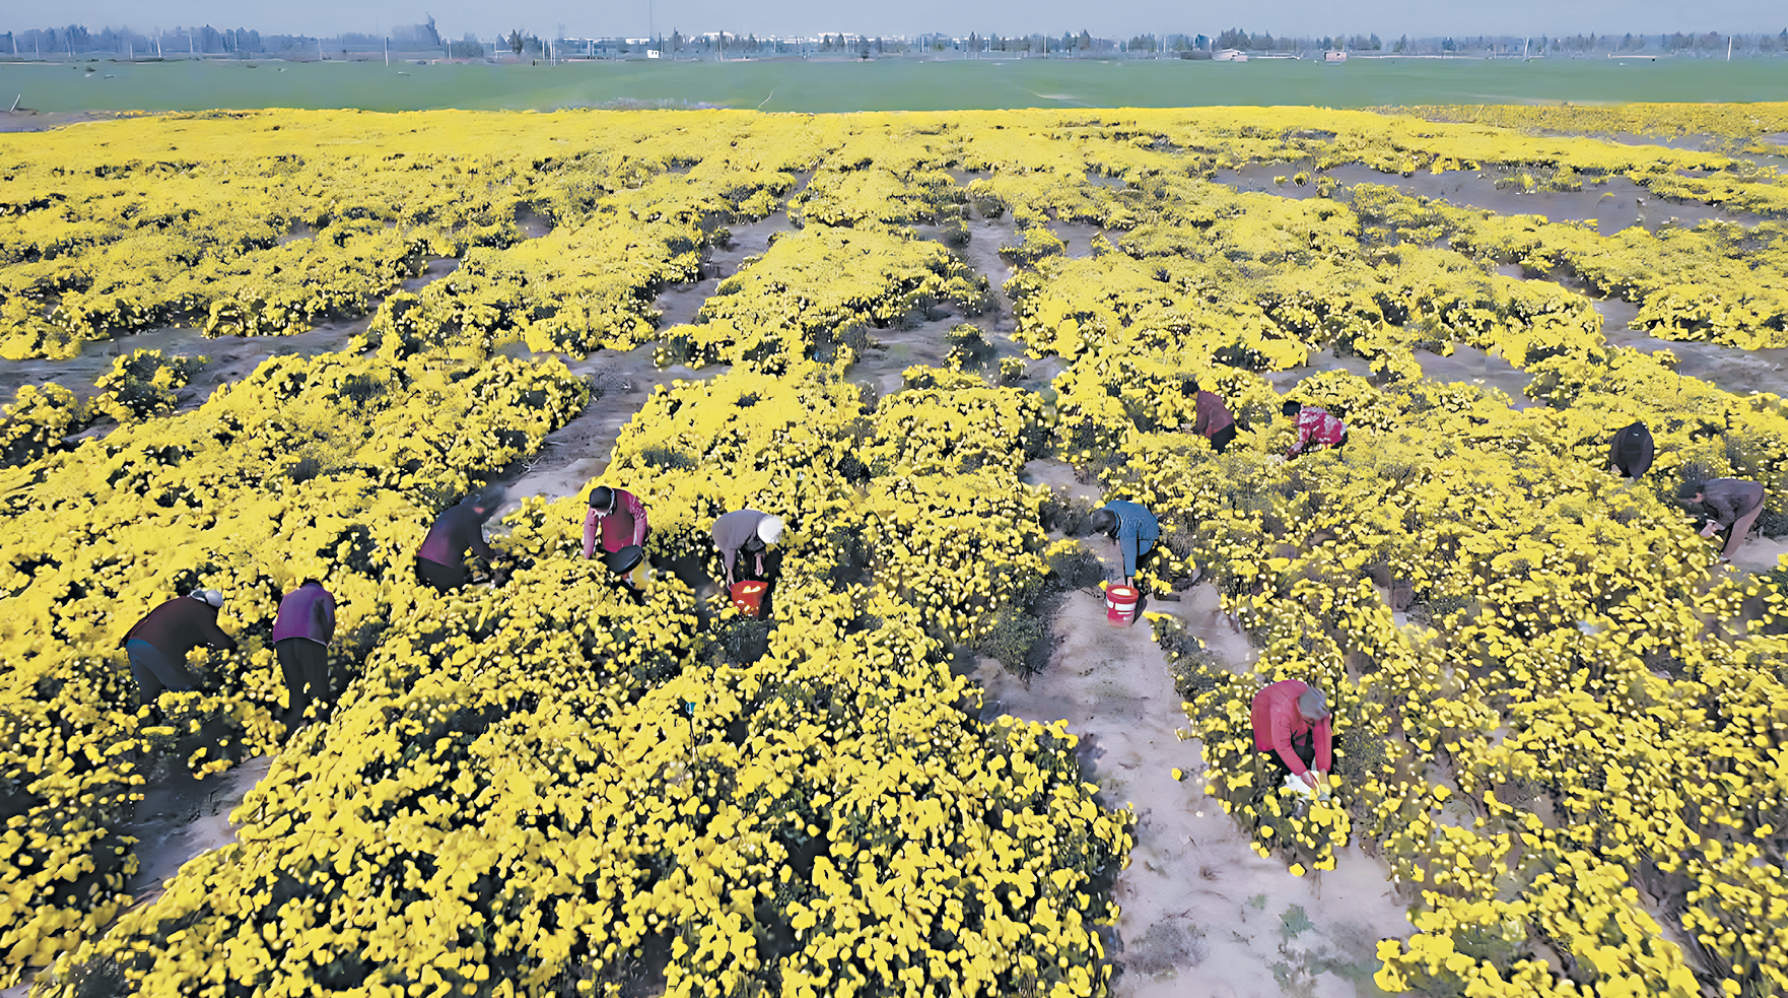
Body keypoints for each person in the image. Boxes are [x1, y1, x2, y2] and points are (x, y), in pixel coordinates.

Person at [120, 589, 237, 709]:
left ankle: (143, 722)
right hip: (156, 648)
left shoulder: (179, 602)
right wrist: (234, 647)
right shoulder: (203, 610)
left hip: (134, 643)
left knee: (149, 695)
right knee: (187, 692)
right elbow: (216, 637)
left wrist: (126, 641)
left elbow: (149, 619)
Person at [272, 578, 336, 730]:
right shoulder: (324, 594)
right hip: (310, 637)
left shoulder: (287, 597)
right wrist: (325, 641)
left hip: (281, 640)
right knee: (318, 684)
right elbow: (329, 620)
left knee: (295, 688)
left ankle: (295, 731)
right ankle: (322, 726)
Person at [415, 489, 503, 593]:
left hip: (422, 562)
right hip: (443, 567)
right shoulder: (471, 516)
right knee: (465, 590)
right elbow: (480, 549)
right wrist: (501, 551)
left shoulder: (452, 512)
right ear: (480, 508)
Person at [1251, 680, 1333, 790]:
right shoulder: (1281, 709)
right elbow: (1283, 746)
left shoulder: (1316, 703)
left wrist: (1323, 769)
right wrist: (1303, 773)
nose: (1313, 724)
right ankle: (1275, 779)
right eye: (1311, 721)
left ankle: (1299, 758)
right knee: (1272, 751)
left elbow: (1323, 732)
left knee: (1302, 741)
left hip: (1294, 714)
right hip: (1265, 712)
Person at [1678, 478, 1766, 561]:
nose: (1691, 502)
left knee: (1739, 528)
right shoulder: (1708, 485)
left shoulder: (1714, 497)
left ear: (1698, 494)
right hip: (1750, 488)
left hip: (1754, 498)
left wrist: (1713, 528)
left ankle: (1724, 558)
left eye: (1691, 500)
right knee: (1725, 522)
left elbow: (1729, 517)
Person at [1090, 500, 1159, 587]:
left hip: (1148, 535)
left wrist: (1129, 579)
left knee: (1124, 552)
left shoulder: (1127, 530)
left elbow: (1130, 554)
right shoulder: (1110, 506)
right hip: (1139, 514)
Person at [712, 509, 786, 588]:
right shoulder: (743, 532)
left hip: (740, 528)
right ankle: (737, 582)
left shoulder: (767, 521)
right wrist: (729, 571)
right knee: (737, 563)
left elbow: (759, 542)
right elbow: (730, 548)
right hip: (722, 531)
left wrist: (759, 557)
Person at [582, 485, 650, 560]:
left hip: (629, 545)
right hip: (608, 548)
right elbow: (590, 525)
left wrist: (636, 546)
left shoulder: (626, 497)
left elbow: (640, 517)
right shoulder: (596, 504)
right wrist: (587, 555)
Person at [1282, 400, 1347, 459]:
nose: (1291, 423)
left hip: (1336, 439)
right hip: (1342, 430)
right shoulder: (1308, 410)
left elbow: (1302, 442)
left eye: (1290, 419)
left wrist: (1286, 456)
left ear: (1295, 415)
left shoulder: (1304, 419)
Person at [1187, 381, 1237, 455]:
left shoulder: (1201, 402)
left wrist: (1193, 431)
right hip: (1230, 424)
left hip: (1220, 429)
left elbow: (1202, 422)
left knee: (1217, 456)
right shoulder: (1206, 395)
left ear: (1190, 394)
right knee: (1231, 453)